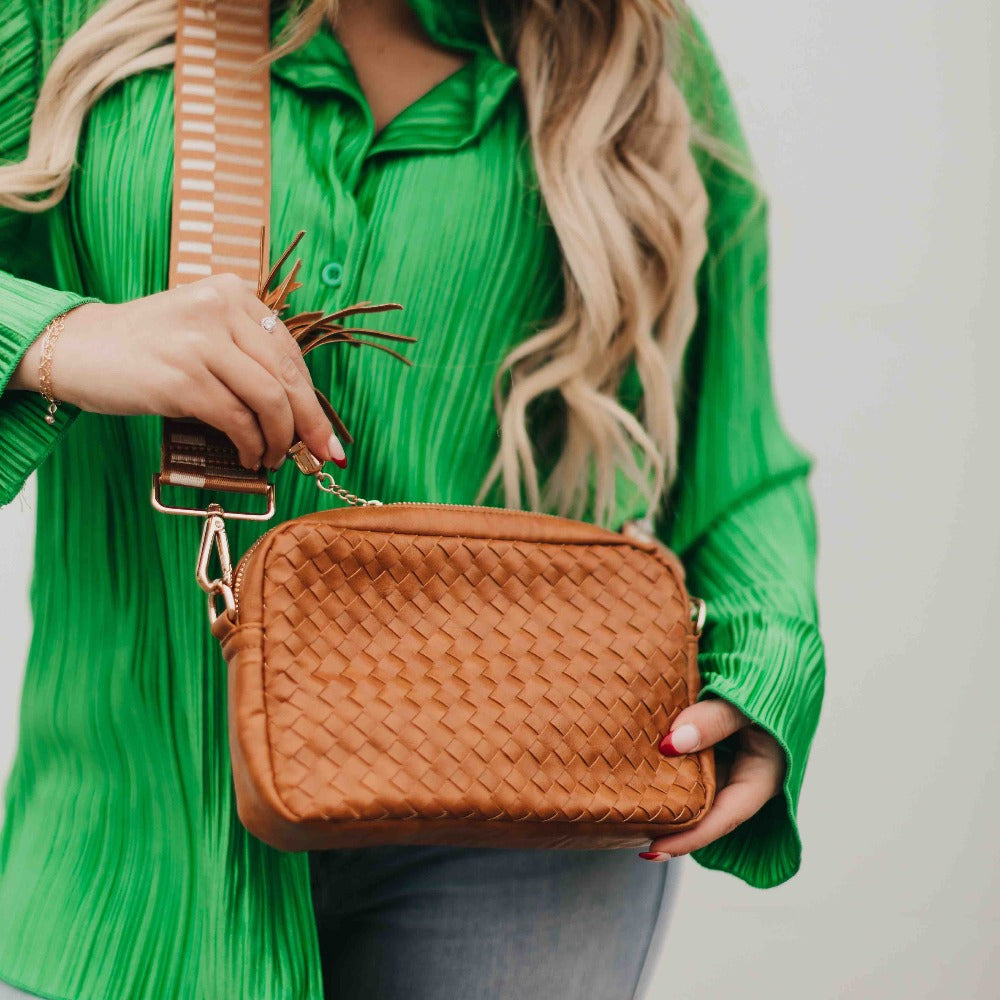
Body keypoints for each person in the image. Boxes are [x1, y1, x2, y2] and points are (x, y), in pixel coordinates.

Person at [0, 1, 826, 997]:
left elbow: (733, 440)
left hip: (530, 805)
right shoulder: (62, 14)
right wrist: (59, 338)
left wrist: (765, 658)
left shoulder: (624, 39)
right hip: (140, 819)